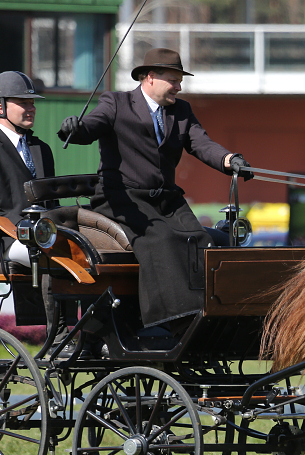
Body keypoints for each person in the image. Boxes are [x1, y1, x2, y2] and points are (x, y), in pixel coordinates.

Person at [57, 48, 253, 334]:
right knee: (162, 238)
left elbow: (201, 144)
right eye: (173, 80)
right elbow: (91, 127)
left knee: (199, 238)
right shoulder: (116, 102)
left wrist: (229, 161)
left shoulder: (181, 111)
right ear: (150, 77)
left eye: (180, 80)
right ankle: (172, 319)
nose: (179, 86)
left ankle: (205, 313)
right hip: (123, 200)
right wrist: (73, 128)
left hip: (166, 201)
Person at [0, 71, 75, 353]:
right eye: (23, 103)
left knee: (82, 251)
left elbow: (51, 203)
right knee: (52, 255)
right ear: (0, 107)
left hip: (42, 236)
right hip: (3, 240)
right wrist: (24, 229)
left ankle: (91, 332)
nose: (31, 108)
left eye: (33, 103)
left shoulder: (42, 149)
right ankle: (58, 336)